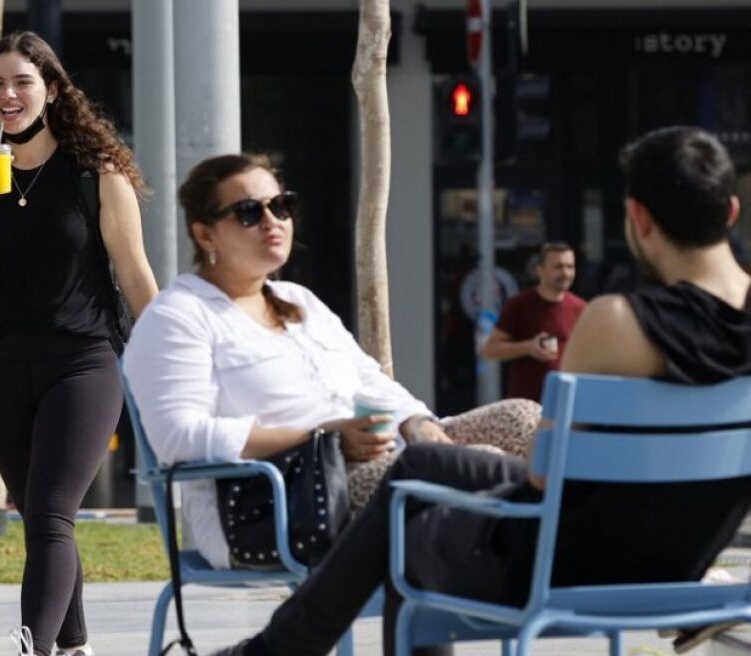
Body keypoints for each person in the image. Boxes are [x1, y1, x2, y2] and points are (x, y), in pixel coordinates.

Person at [208, 126, 751, 656]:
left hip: (563, 565)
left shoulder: (617, 321)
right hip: (679, 561)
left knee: (406, 516)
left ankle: (279, 649)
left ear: (639, 218)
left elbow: (543, 471)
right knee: (421, 463)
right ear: (730, 211)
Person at [122, 153, 540, 572]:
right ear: (205, 234)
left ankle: (548, 536)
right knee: (467, 465)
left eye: (281, 205)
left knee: (524, 420)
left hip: (375, 461)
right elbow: (177, 437)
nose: (273, 221)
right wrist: (319, 437)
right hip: (279, 499)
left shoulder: (299, 303)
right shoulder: (178, 316)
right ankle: (547, 540)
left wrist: (416, 422)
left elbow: (369, 382)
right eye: (249, 212)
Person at [0, 31, 158, 656]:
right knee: (41, 521)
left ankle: (32, 648)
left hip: (83, 361)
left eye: (22, 82)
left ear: (52, 90)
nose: (7, 94)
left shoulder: (98, 172)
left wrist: (174, 352)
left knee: (50, 514)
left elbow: (135, 272)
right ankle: (74, 647)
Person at [482, 242, 587, 401]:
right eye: (558, 267)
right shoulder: (519, 305)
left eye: (570, 266)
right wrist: (529, 347)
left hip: (568, 404)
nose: (565, 273)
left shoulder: (581, 309)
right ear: (540, 270)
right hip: (527, 406)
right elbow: (491, 350)